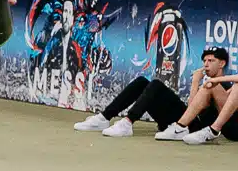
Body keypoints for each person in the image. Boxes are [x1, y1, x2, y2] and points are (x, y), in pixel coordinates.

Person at [75, 48, 222, 138]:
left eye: (211, 61)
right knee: (142, 82)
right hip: (175, 121)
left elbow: (192, 111)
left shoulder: (221, 85)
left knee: (156, 85)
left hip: (192, 126)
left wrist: (195, 82)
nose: (206, 64)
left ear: (221, 63)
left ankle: (128, 122)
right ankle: (104, 117)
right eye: (205, 61)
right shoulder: (206, 80)